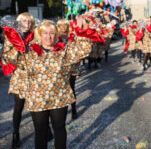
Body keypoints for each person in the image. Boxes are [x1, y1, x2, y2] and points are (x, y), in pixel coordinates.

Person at [3, 17, 96, 149]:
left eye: (52, 33)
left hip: (59, 97)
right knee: (40, 132)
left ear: (56, 35)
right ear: (39, 35)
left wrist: (81, 31)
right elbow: (8, 59)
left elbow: (84, 49)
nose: (48, 36)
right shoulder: (29, 52)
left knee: (59, 128)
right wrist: (11, 39)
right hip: (37, 99)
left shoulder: (64, 51)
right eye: (45, 33)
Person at [0, 13, 52, 149]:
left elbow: (44, 53)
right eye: (24, 21)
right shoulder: (10, 37)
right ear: (18, 22)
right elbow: (5, 58)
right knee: (18, 107)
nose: (27, 24)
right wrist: (17, 51)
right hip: (20, 77)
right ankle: (15, 134)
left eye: (30, 22)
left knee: (40, 104)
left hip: (36, 77)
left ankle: (46, 128)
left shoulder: (35, 36)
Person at [57, 19, 79, 119]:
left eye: (65, 25)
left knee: (71, 88)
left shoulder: (73, 35)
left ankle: (74, 110)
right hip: (59, 67)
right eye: (61, 25)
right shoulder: (55, 37)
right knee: (60, 89)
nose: (63, 27)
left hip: (71, 66)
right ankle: (61, 111)